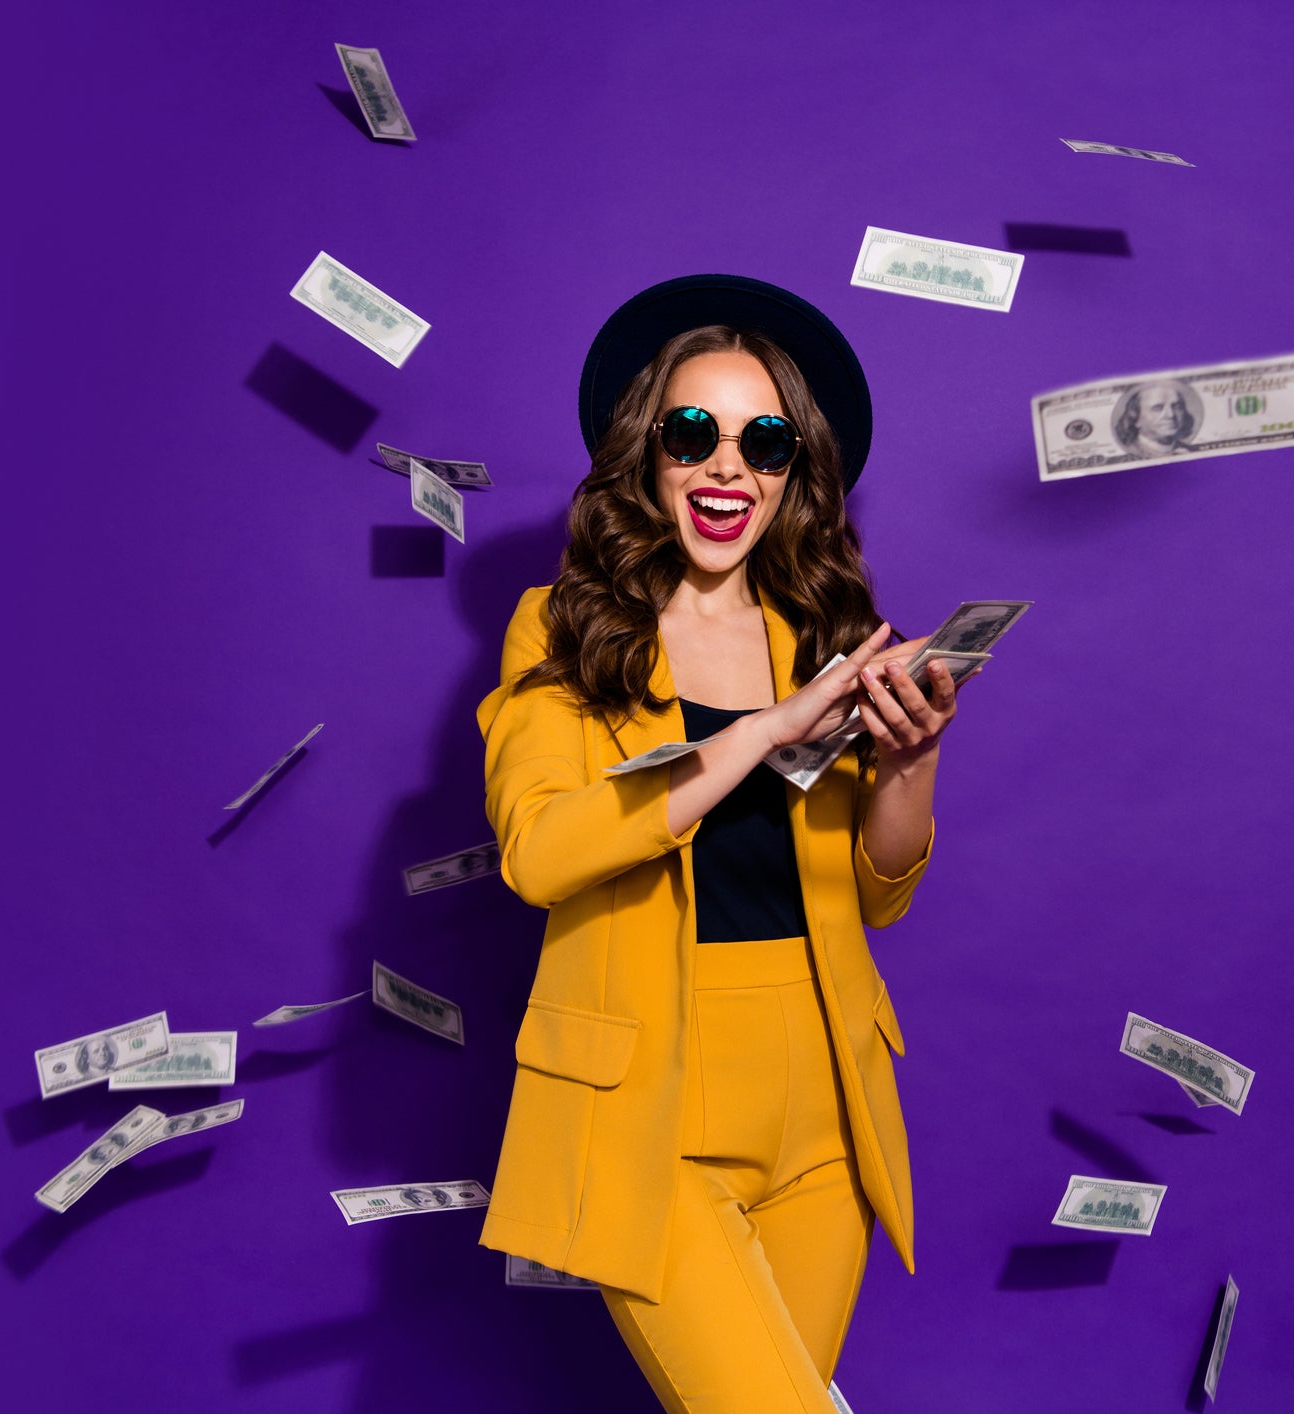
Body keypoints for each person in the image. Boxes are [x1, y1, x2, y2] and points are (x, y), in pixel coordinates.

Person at [474, 274, 964, 1413]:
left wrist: (912, 757)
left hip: (825, 1113)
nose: (727, 468)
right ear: (647, 450)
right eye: (694, 432)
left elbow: (878, 893)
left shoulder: (823, 637)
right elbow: (541, 852)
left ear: (798, 473)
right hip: (652, 1109)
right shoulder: (566, 630)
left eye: (766, 441)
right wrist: (762, 733)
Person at [1113, 379, 1203, 457]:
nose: (1170, 414)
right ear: (1136, 418)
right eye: (1157, 408)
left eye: (1176, 406)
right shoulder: (1129, 453)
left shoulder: (1192, 451)